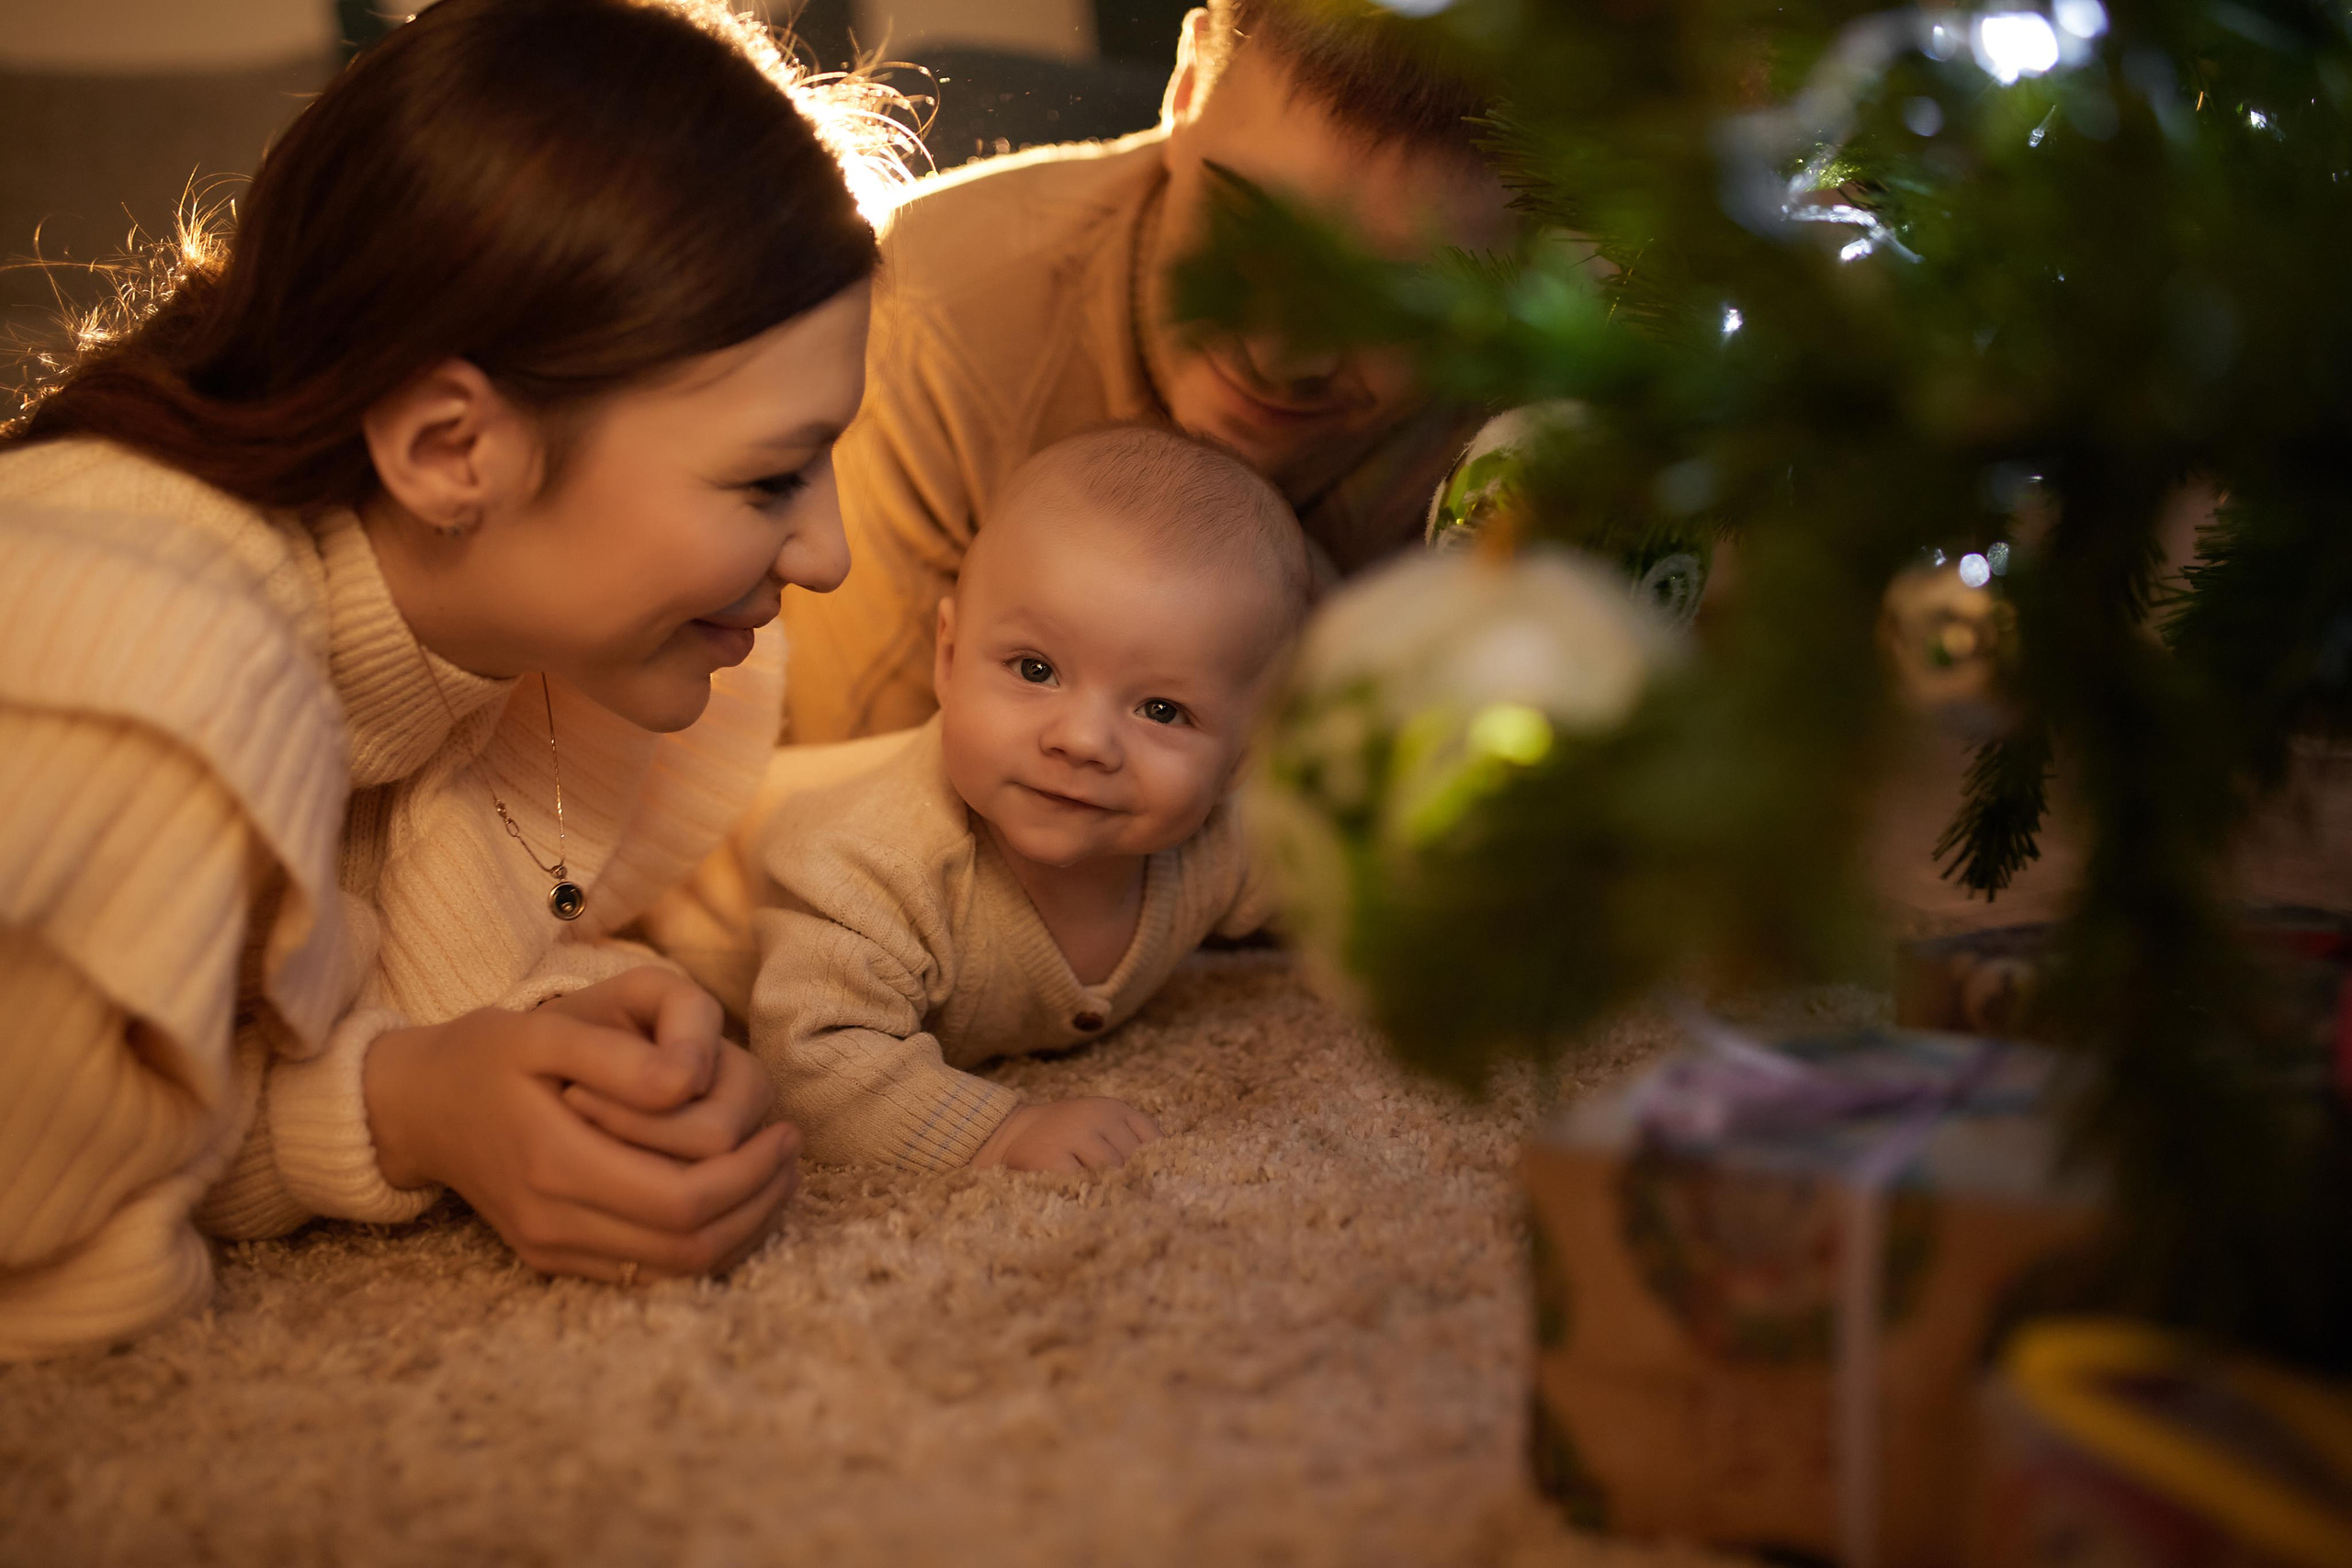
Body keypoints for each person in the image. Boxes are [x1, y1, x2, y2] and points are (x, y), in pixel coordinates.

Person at [0, 0, 890, 1359]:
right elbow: (50, 1224)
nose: (827, 553)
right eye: (770, 474)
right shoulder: (152, 692)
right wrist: (400, 1109)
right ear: (448, 446)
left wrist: (521, 1058)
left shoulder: (523, 656)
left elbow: (212, 1056)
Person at [775, 0, 1514, 746]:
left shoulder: (1581, 401)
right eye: (1245, 226)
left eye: (1392, 296)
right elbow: (850, 825)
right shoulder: (924, 310)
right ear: (1186, 87)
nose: (1280, 355)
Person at [741, 428, 1306, 1171]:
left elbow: (1342, 882)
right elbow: (809, 1062)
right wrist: (995, 1134)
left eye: (1162, 710)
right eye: (1035, 668)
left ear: (1244, 755)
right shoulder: (869, 863)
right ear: (948, 657)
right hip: (656, 891)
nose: (1082, 740)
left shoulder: (1217, 842)